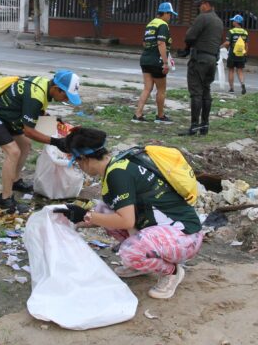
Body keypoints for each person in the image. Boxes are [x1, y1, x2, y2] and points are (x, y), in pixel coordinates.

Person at [58, 127, 203, 300]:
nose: (78, 166)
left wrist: (86, 216)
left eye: (76, 162)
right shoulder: (117, 164)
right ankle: (144, 262)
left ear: (84, 158)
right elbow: (110, 215)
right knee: (103, 210)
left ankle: (172, 272)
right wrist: (71, 220)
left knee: (130, 252)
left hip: (186, 237)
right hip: (169, 229)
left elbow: (126, 221)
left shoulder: (118, 175)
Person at [0, 70, 81, 213]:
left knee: (25, 145)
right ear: (56, 88)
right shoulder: (36, 96)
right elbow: (29, 131)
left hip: (9, 115)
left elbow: (34, 110)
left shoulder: (43, 85)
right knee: (13, 152)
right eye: (66, 96)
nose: (66, 100)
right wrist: (56, 142)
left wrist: (52, 120)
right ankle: (6, 200)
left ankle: (15, 181)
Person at [179, 0, 223, 136]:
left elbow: (190, 36)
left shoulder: (203, 18)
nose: (199, 7)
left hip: (200, 59)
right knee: (206, 91)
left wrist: (186, 49)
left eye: (201, 4)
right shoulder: (218, 21)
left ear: (206, 5)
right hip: (212, 60)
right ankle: (205, 125)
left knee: (196, 93)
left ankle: (194, 126)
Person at [132, 2, 177, 124]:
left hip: (145, 59)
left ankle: (138, 114)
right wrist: (165, 62)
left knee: (147, 88)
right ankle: (160, 116)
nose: (170, 17)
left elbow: (144, 43)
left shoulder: (150, 24)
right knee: (161, 89)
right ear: (165, 13)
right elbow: (161, 43)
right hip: (157, 61)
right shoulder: (163, 25)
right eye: (170, 14)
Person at [221, 14, 249, 94]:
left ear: (236, 22)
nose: (232, 22)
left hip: (232, 54)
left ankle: (231, 89)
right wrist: (245, 54)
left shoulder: (231, 31)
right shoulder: (245, 32)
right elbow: (246, 45)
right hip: (241, 54)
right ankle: (242, 84)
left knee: (231, 70)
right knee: (240, 71)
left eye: (233, 20)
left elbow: (227, 43)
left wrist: (219, 47)